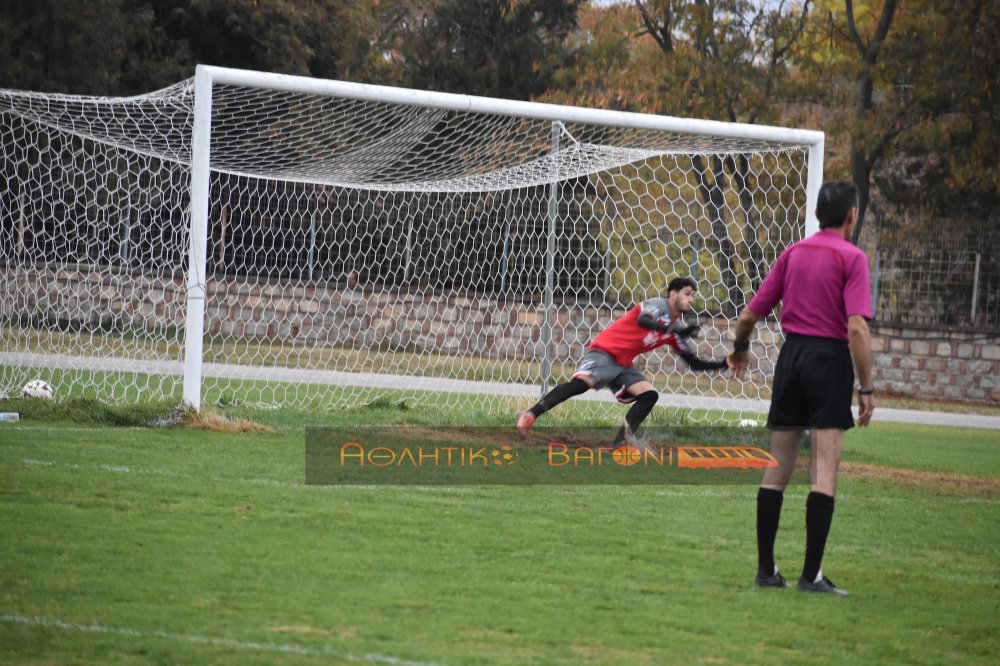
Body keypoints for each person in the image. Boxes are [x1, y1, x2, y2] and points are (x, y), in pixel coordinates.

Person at [728, 180, 875, 596]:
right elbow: (857, 328)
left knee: (776, 468)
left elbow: (747, 317)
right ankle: (811, 576)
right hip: (828, 361)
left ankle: (766, 571)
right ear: (851, 216)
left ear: (816, 215)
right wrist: (867, 388)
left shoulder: (793, 253)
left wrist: (739, 350)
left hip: (790, 360)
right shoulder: (853, 257)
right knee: (823, 470)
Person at [517, 276, 732, 444]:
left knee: (649, 395)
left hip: (622, 363)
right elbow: (644, 319)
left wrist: (724, 364)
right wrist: (672, 331)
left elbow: (694, 364)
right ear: (673, 294)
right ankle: (530, 414)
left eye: (693, 295)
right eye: (687, 293)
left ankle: (621, 442)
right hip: (605, 351)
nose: (691, 299)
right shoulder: (658, 305)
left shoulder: (675, 328)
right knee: (582, 385)